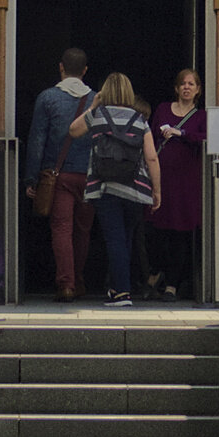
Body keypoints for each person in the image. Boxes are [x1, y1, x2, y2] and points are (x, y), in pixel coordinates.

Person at [69, 71, 160, 307]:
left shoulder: (98, 114)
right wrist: (156, 190)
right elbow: (151, 158)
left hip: (106, 187)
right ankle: (119, 288)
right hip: (135, 189)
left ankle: (121, 293)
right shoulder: (140, 119)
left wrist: (93, 104)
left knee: (115, 240)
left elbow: (74, 130)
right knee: (126, 239)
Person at [23, 47, 95, 302]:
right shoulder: (97, 99)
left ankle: (66, 284)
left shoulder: (47, 98)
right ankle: (80, 280)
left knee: (61, 229)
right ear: (85, 71)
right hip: (90, 176)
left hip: (59, 176)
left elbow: (37, 140)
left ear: (61, 67)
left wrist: (31, 178)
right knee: (82, 231)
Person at [145, 67, 206, 300]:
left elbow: (206, 138)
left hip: (186, 185)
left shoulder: (201, 116)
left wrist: (181, 133)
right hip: (162, 180)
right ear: (176, 88)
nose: (187, 87)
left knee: (180, 235)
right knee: (156, 231)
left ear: (198, 89)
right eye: (183, 84)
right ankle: (155, 271)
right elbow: (149, 137)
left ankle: (171, 285)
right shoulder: (162, 109)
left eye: (191, 84)